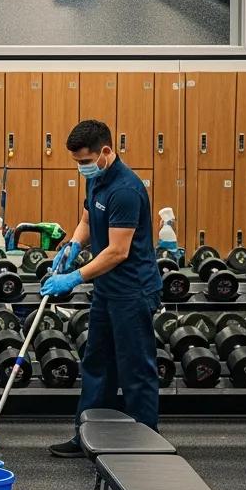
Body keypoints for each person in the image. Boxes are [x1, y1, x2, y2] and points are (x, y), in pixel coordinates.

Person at [40, 119, 162, 458]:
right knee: (97, 362)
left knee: (135, 368)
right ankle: (87, 435)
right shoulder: (98, 182)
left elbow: (117, 251)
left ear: (105, 152)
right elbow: (85, 221)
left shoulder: (125, 189)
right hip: (108, 289)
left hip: (133, 290)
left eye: (84, 162)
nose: (82, 168)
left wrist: (74, 277)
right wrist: (72, 247)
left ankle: (147, 444)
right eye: (77, 162)